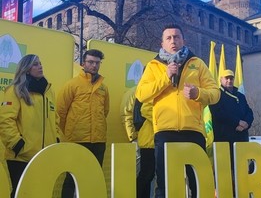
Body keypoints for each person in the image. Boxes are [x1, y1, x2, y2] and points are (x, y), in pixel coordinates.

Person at [135, 24, 220, 198]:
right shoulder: (153, 66)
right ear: (162, 42)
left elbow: (216, 93)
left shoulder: (197, 63)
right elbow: (141, 94)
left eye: (176, 37)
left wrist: (199, 93)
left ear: (183, 40)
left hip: (193, 131)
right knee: (165, 185)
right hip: (165, 132)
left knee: (198, 183)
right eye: (169, 38)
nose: (173, 41)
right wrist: (165, 77)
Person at [0, 54, 60, 198]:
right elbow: (5, 120)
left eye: (40, 63)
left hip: (45, 156)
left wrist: (56, 139)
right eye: (35, 64)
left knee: (41, 193)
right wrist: (18, 145)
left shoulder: (49, 91)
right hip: (21, 157)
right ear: (26, 69)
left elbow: (55, 119)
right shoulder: (15, 90)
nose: (40, 66)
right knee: (22, 193)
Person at [56, 49, 109, 198]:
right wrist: (68, 134)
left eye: (97, 63)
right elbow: (60, 112)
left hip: (98, 141)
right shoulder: (72, 85)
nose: (94, 66)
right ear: (83, 63)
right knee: (71, 178)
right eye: (91, 62)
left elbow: (105, 111)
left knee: (93, 177)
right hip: (77, 140)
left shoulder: (104, 88)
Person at [209, 69, 254, 172]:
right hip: (224, 140)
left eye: (231, 78)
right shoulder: (217, 95)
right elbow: (218, 114)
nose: (229, 80)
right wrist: (237, 122)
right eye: (227, 78)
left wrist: (246, 124)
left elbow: (249, 112)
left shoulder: (240, 96)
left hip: (241, 139)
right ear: (221, 80)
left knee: (241, 170)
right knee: (225, 171)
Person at [120, 87, 156, 198]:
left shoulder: (158, 90)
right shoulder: (134, 92)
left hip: (156, 140)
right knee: (144, 174)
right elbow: (126, 115)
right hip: (143, 140)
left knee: (150, 175)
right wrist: (133, 137)